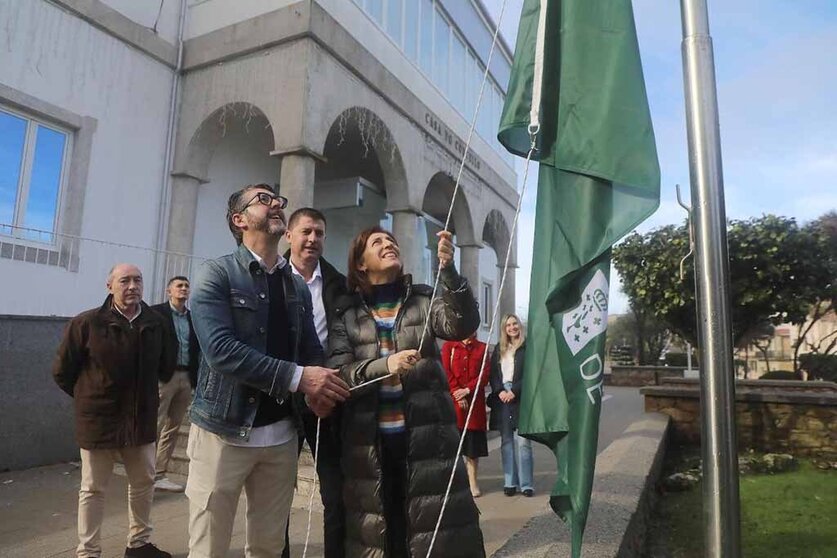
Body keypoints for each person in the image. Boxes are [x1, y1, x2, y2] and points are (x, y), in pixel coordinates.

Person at [186, 184, 350, 558]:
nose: (276, 203)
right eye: (264, 199)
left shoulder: (296, 287)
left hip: (280, 438)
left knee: (268, 548)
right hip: (222, 432)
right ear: (239, 219)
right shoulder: (215, 274)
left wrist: (318, 393)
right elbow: (221, 352)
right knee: (208, 547)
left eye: (278, 200)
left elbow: (310, 350)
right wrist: (300, 379)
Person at [328, 226, 485, 557]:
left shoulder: (424, 299)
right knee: (386, 536)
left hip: (428, 445)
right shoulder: (348, 314)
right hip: (371, 453)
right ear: (360, 264)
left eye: (392, 241)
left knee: (435, 536)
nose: (389, 244)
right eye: (378, 242)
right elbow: (340, 375)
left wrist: (450, 273)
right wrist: (385, 366)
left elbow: (463, 325)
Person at [53, 263, 172, 558]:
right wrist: (89, 398)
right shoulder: (87, 323)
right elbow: (62, 371)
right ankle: (88, 552)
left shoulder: (157, 323)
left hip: (141, 420)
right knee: (93, 489)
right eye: (125, 280)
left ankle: (139, 545)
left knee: (144, 484)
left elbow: (167, 366)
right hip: (99, 421)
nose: (132, 286)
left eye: (137, 280)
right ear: (110, 286)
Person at [283, 208, 350, 558]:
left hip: (325, 396)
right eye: (306, 231)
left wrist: (326, 382)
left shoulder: (339, 284)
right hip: (280, 397)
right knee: (277, 492)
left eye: (319, 233)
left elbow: (345, 339)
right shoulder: (269, 278)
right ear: (289, 236)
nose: (313, 239)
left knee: (335, 492)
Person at [150, 276, 200, 492]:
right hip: (164, 377)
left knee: (173, 427)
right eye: (179, 286)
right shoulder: (156, 313)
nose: (184, 289)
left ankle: (160, 474)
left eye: (187, 286)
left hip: (186, 377)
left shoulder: (193, 318)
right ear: (169, 291)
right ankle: (144, 473)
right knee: (154, 425)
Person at [488, 314, 533, 497]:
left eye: (515, 324)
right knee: (506, 441)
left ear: (519, 326)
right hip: (502, 397)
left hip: (520, 396)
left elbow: (531, 372)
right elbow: (493, 374)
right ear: (504, 329)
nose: (512, 327)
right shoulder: (500, 348)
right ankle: (510, 482)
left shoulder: (527, 347)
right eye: (508, 325)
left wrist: (515, 390)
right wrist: (500, 391)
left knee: (523, 442)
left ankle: (527, 484)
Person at [441, 333, 490, 498]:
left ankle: (472, 481)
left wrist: (467, 390)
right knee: (454, 446)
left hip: (474, 405)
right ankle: (455, 481)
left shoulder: (482, 348)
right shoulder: (449, 346)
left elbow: (484, 374)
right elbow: (446, 371)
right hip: (454, 404)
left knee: (472, 448)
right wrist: (456, 392)